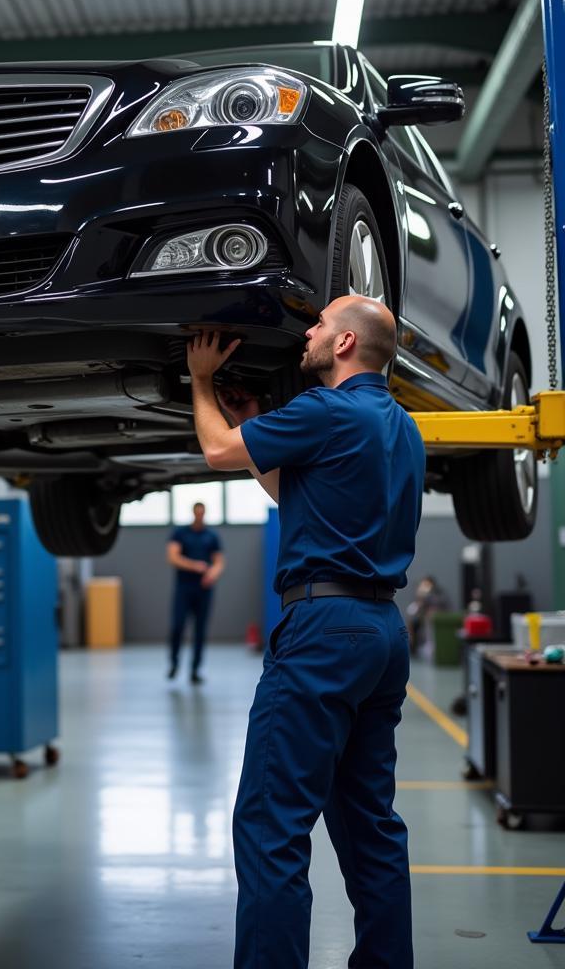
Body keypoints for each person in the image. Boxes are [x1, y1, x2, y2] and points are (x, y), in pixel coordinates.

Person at [186, 294, 424, 969]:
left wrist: (201, 381)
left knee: (271, 825)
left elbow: (214, 452)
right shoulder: (402, 428)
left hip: (323, 630)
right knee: (370, 825)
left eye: (320, 325)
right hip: (381, 633)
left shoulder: (325, 410)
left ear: (345, 344)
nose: (309, 333)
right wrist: (259, 429)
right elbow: (297, 492)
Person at [166, 502, 226, 684]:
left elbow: (219, 562)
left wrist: (212, 574)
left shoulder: (212, 536)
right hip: (184, 587)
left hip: (204, 589)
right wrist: (195, 566)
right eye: (197, 513)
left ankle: (195, 670)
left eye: (202, 513)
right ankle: (174, 663)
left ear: (204, 513)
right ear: (193, 513)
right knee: (177, 626)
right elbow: (172, 556)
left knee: (200, 630)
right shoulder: (180, 533)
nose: (199, 516)